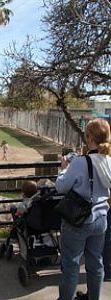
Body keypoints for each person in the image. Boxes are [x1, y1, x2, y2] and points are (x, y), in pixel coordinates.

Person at [55, 118, 111, 300]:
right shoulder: (108, 160)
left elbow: (61, 187)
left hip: (79, 220)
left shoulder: (81, 162)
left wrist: (64, 169)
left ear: (89, 138)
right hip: (101, 218)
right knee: (96, 263)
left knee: (71, 265)